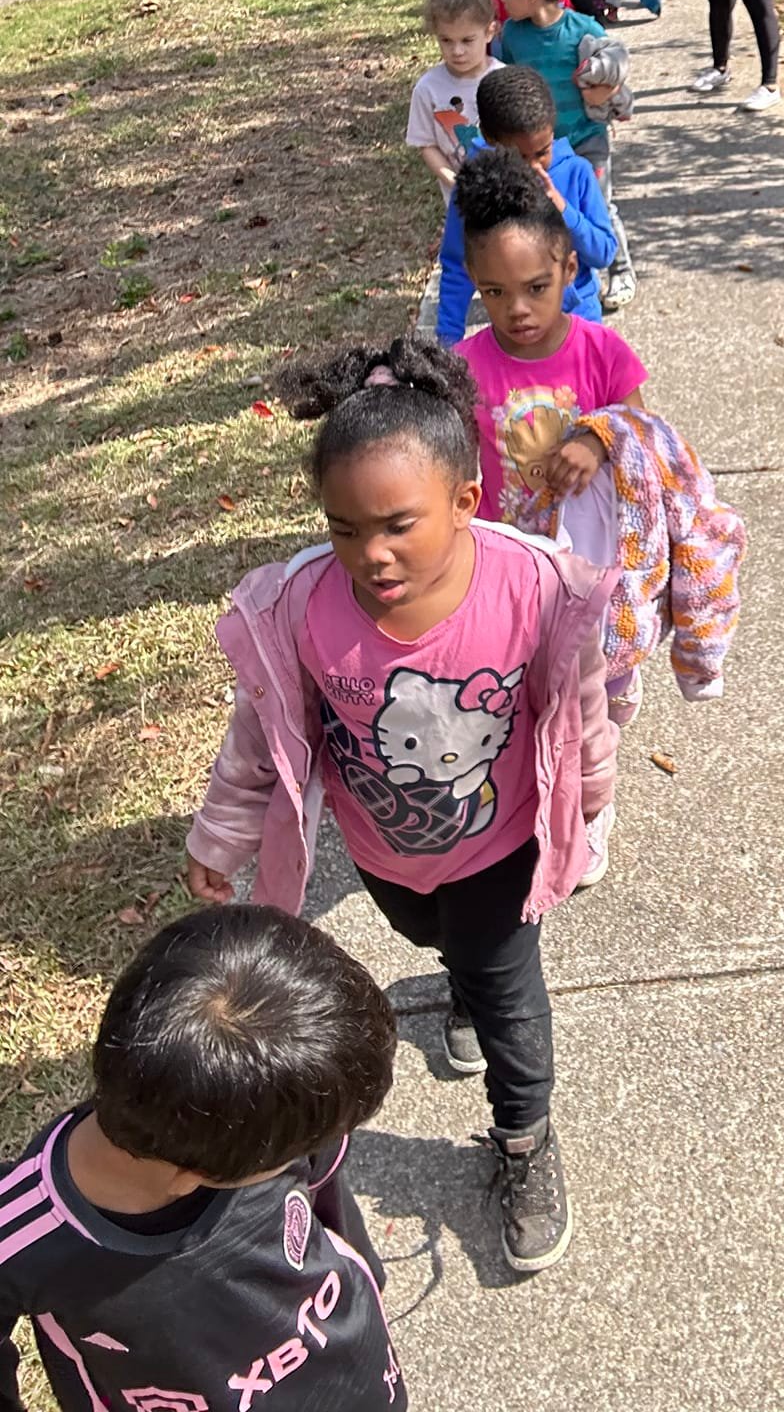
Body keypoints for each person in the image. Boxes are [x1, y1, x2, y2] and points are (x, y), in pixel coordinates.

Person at [185, 336, 616, 1274]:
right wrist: (222, 835)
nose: (369, 555)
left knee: (508, 995)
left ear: (465, 502)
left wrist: (587, 815)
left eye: (396, 525)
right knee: (429, 936)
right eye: (343, 528)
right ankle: (455, 976)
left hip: (499, 845)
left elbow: (582, 712)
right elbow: (261, 737)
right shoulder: (300, 606)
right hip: (385, 853)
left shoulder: (533, 588)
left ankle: (525, 1139)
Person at [0, 903, 401, 1412]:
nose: (313, 1154)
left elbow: (330, 1204)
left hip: (360, 1379)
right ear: (196, 1177)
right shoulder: (18, 1236)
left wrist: (369, 1277)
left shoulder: (257, 1120)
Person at [452, 149, 647, 529]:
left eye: (537, 288)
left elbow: (646, 439)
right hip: (511, 559)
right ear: (474, 277)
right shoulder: (463, 368)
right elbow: (450, 469)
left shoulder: (605, 353)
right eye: (495, 292)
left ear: (569, 268)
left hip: (598, 558)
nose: (517, 309)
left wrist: (596, 443)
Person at [494, 0, 639, 308]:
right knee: (542, 211)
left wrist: (605, 86)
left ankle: (620, 269)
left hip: (587, 141)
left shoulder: (583, 32)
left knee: (600, 209)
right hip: (539, 152)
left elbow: (615, 72)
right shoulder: (511, 36)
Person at [436, 63, 616, 345]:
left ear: (552, 131)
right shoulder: (476, 187)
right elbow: (457, 266)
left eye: (542, 152)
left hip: (580, 328)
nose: (533, 167)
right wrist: (448, 341)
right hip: (514, 332)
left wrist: (565, 212)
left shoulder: (576, 173)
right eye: (519, 156)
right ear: (489, 137)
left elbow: (603, 253)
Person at [404, 0, 499, 200]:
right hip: (460, 205)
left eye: (467, 40)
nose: (457, 51)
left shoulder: (503, 79)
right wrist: (454, 182)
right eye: (446, 40)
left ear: (490, 32)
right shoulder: (428, 89)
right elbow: (427, 145)